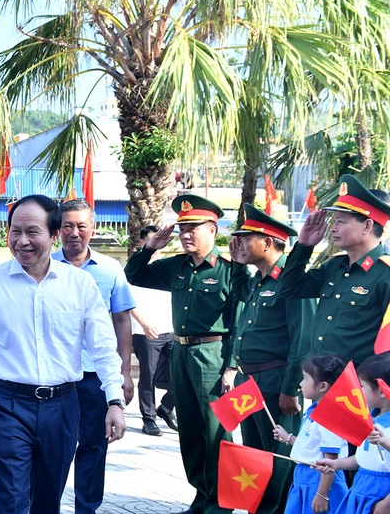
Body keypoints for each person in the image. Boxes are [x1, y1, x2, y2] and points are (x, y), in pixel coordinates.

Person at [0, 195, 126, 514]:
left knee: (48, 502)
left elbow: (103, 347)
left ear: (53, 236)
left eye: (32, 231)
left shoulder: (80, 285)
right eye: (15, 231)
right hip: (5, 404)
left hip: (62, 407)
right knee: (11, 499)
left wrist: (114, 402)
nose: (22, 241)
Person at [124, 194, 246, 514]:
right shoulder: (177, 266)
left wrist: (232, 366)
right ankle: (202, 494)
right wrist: (151, 248)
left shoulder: (229, 270)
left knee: (217, 432)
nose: (186, 234)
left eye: (193, 228)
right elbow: (134, 275)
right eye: (182, 229)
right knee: (190, 432)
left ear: (213, 229)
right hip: (181, 351)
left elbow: (240, 323)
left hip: (213, 355)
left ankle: (223, 501)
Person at [225, 204, 314, 513]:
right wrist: (236, 263)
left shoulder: (289, 280)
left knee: (278, 461)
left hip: (276, 383)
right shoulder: (258, 280)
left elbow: (302, 339)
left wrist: (292, 388)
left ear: (268, 241)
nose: (238, 244)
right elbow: (237, 291)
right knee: (253, 458)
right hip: (249, 381)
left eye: (246, 238)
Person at [53, 199, 135, 514]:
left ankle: (86, 509)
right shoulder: (44, 265)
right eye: (68, 226)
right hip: (55, 376)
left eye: (81, 226)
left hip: (96, 378)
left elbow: (122, 320)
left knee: (93, 446)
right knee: (53, 448)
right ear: (58, 230)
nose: (74, 233)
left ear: (93, 228)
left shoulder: (110, 270)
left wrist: (125, 372)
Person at [281, 174, 390, 366]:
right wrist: (304, 246)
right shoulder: (335, 266)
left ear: (367, 226)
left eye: (341, 221)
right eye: (334, 221)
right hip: (321, 381)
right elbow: (290, 289)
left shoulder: (385, 274)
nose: (333, 228)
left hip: (359, 385)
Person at [315, 353, 390, 514]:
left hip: (382, 493)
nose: (357, 390)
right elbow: (364, 458)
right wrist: (337, 464)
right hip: (361, 486)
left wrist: (386, 505)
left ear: (382, 391)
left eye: (361, 386)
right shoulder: (370, 419)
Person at [274, 355, 349, 514]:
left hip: (320, 481)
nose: (300, 384)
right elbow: (312, 445)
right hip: (304, 477)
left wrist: (322, 494)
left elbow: (330, 461)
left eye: (305, 379)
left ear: (322, 386)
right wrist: (288, 438)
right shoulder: (314, 411)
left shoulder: (330, 417)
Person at [130, 225, 178, 436]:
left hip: (171, 331)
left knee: (181, 374)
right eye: (152, 242)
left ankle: (166, 407)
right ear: (143, 243)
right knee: (147, 377)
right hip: (145, 332)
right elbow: (127, 303)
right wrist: (145, 324)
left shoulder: (167, 267)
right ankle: (148, 419)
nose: (158, 247)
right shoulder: (134, 270)